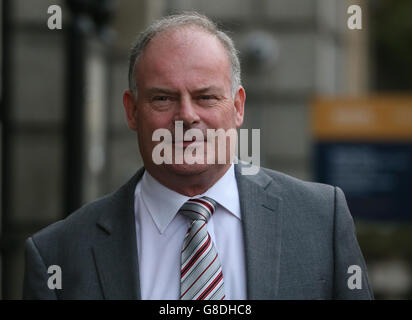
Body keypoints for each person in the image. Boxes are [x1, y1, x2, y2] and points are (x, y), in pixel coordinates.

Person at [23, 12, 373, 300]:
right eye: (163, 98)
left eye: (206, 97)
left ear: (237, 108)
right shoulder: (59, 254)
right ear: (131, 111)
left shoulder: (319, 221)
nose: (186, 116)